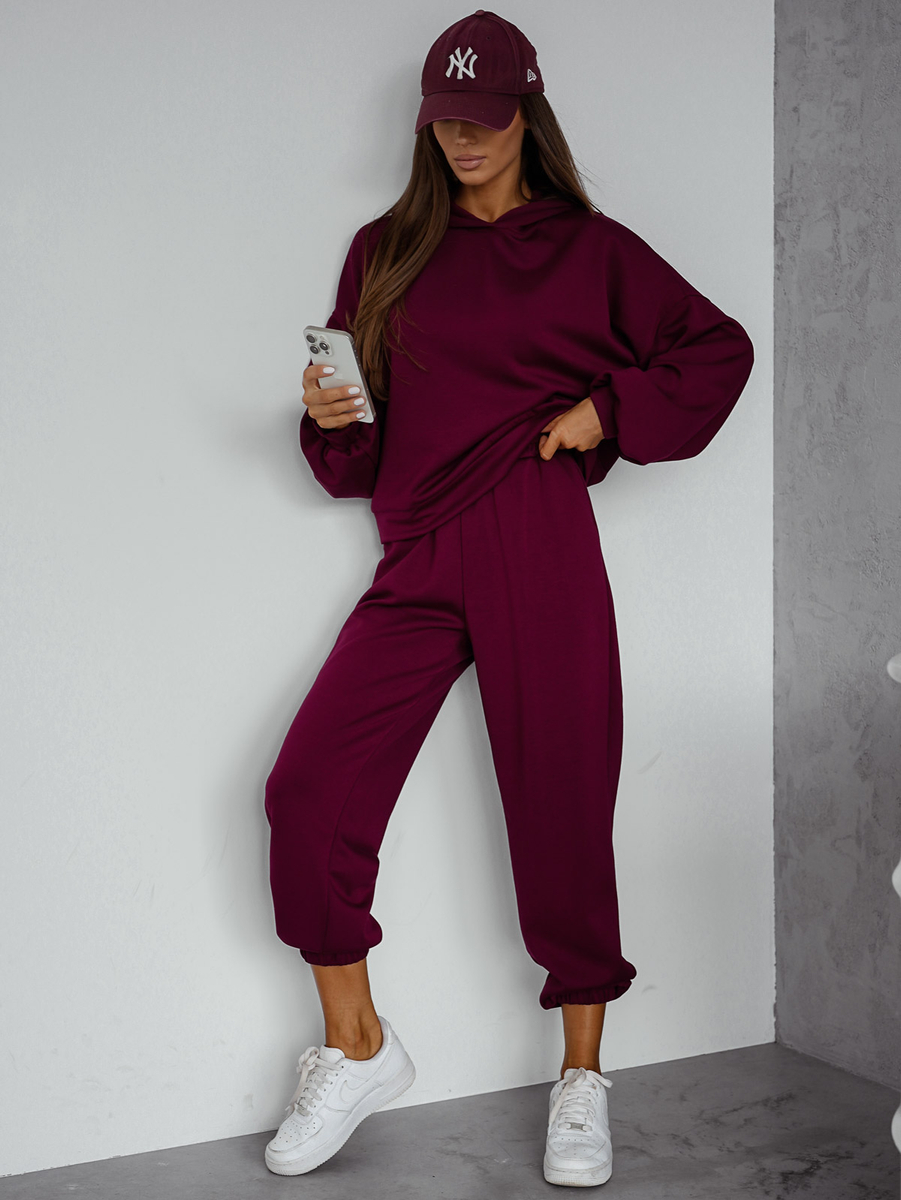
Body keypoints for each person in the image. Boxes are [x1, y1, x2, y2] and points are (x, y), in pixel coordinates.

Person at [262, 7, 754, 1188]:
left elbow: (716, 349)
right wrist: (330, 418)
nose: (464, 138)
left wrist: (605, 413)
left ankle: (581, 1078)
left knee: (562, 805)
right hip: (420, 550)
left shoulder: (593, 251)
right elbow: (358, 456)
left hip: (537, 534)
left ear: (526, 113)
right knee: (307, 789)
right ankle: (356, 1046)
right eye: (446, 120)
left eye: (484, 118)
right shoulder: (386, 250)